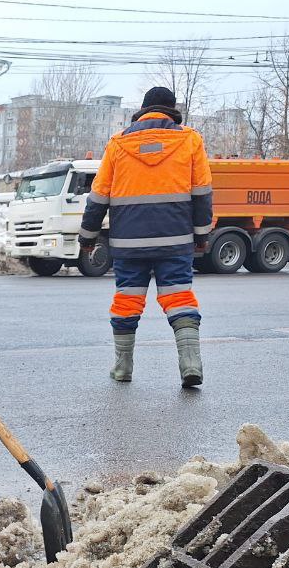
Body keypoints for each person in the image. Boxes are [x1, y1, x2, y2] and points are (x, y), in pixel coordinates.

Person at [79, 87, 212, 387]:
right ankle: (190, 364)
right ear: (172, 110)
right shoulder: (190, 140)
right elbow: (202, 193)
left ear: (142, 109)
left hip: (128, 243)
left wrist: (87, 237)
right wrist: (201, 234)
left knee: (127, 300)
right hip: (175, 239)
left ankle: (122, 368)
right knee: (179, 297)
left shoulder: (118, 143)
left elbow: (98, 196)